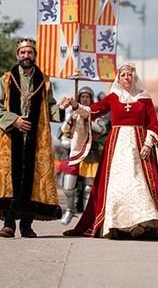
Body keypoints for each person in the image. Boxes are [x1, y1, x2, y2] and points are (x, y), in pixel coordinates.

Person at [64, 62, 158, 239]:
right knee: (117, 185)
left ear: (134, 77)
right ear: (118, 78)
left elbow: (153, 124)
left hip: (139, 146)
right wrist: (75, 105)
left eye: (129, 74)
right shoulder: (112, 97)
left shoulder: (144, 98)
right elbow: (92, 111)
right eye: (123, 75)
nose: (127, 77)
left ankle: (144, 225)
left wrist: (148, 144)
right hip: (116, 148)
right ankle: (117, 226)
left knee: (140, 185)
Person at [0, 38, 64, 238]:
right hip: (11, 138)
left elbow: (50, 109)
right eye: (22, 53)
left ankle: (26, 225)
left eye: (30, 52)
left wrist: (64, 107)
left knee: (32, 179)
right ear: (17, 55)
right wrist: (14, 121)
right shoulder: (5, 80)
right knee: (11, 179)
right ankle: (8, 224)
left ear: (35, 56)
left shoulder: (44, 82)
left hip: (36, 139)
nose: (26, 56)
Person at [58, 86, 107, 225]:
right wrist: (66, 141)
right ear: (79, 98)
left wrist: (88, 117)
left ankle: (88, 216)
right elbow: (64, 132)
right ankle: (70, 209)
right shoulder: (71, 114)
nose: (85, 99)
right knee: (68, 187)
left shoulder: (97, 113)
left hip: (91, 153)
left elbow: (102, 129)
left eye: (87, 97)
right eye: (82, 97)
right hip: (74, 153)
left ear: (91, 99)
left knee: (88, 188)